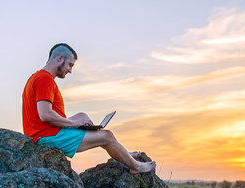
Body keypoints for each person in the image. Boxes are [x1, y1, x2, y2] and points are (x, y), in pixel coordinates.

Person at [22, 43, 156, 174]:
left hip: (45, 132)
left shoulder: (36, 77)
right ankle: (137, 167)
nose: (70, 70)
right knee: (107, 136)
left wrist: (79, 120)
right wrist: (74, 124)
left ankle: (123, 153)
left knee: (83, 116)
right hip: (47, 137)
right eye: (70, 65)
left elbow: (43, 116)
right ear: (59, 58)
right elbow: (45, 115)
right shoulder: (45, 80)